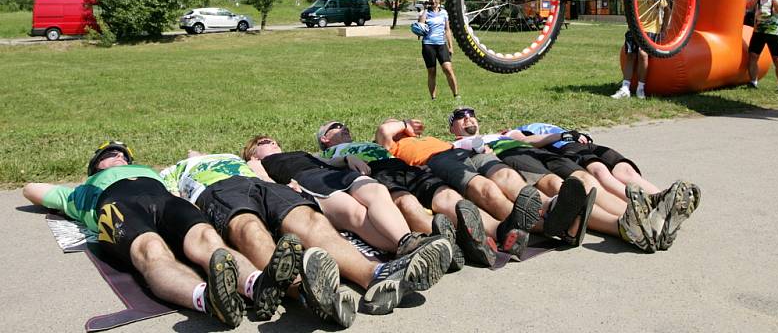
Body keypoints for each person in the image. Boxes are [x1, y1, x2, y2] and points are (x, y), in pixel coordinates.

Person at [162, 151, 450, 323]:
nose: (194, 151)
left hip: (261, 184)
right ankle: (309, 293)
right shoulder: (177, 169)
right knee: (247, 228)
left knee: (309, 220)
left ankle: (375, 275)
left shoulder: (235, 157)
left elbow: (266, 169)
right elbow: (169, 197)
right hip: (218, 191)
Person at [22, 141, 284, 328]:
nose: (119, 157)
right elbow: (31, 188)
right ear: (95, 165)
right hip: (115, 205)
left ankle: (257, 285)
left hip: (163, 199)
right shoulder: (80, 193)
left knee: (206, 237)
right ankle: (208, 299)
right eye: (111, 154)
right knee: (151, 249)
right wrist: (68, 193)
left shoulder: (149, 171)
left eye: (123, 155)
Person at [446, 108, 700, 252]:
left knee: (585, 180)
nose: (468, 117)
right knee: (557, 187)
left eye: (471, 114)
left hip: (537, 151)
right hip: (511, 159)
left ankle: (644, 218)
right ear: (452, 128)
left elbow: (530, 140)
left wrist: (561, 136)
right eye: (460, 116)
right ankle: (623, 227)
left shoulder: (502, 133)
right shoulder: (454, 146)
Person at [242, 136, 453, 285]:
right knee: (354, 212)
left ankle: (407, 242)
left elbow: (324, 161)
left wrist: (346, 159)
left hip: (331, 173)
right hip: (307, 182)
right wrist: (284, 188)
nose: (271, 142)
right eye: (263, 142)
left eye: (273, 140)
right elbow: (262, 179)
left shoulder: (299, 153)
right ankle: (405, 248)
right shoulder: (257, 161)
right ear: (253, 151)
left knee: (377, 190)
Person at [315, 120, 522, 265]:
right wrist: (345, 160)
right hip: (373, 175)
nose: (344, 128)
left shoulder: (370, 143)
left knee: (448, 197)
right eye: (337, 127)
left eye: (344, 126)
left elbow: (389, 136)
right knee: (408, 205)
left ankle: (501, 231)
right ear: (325, 138)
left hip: (400, 166)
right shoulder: (323, 155)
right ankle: (458, 247)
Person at [373, 117, 593, 247]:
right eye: (396, 124)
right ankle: (545, 226)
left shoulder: (427, 139)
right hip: (439, 161)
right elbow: (384, 130)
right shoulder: (390, 146)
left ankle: (552, 206)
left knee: (507, 177)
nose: (400, 127)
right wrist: (403, 123)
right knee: (485, 189)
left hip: (466, 152)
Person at [417, 0, 459, 100]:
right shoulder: (425, 12)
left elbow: (447, 30)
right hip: (428, 45)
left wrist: (450, 46)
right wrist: (425, 9)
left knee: (448, 69)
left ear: (439, 0)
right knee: (432, 72)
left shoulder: (444, 13)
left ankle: (456, 95)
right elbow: (420, 25)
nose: (433, 1)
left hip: (441, 44)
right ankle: (433, 98)